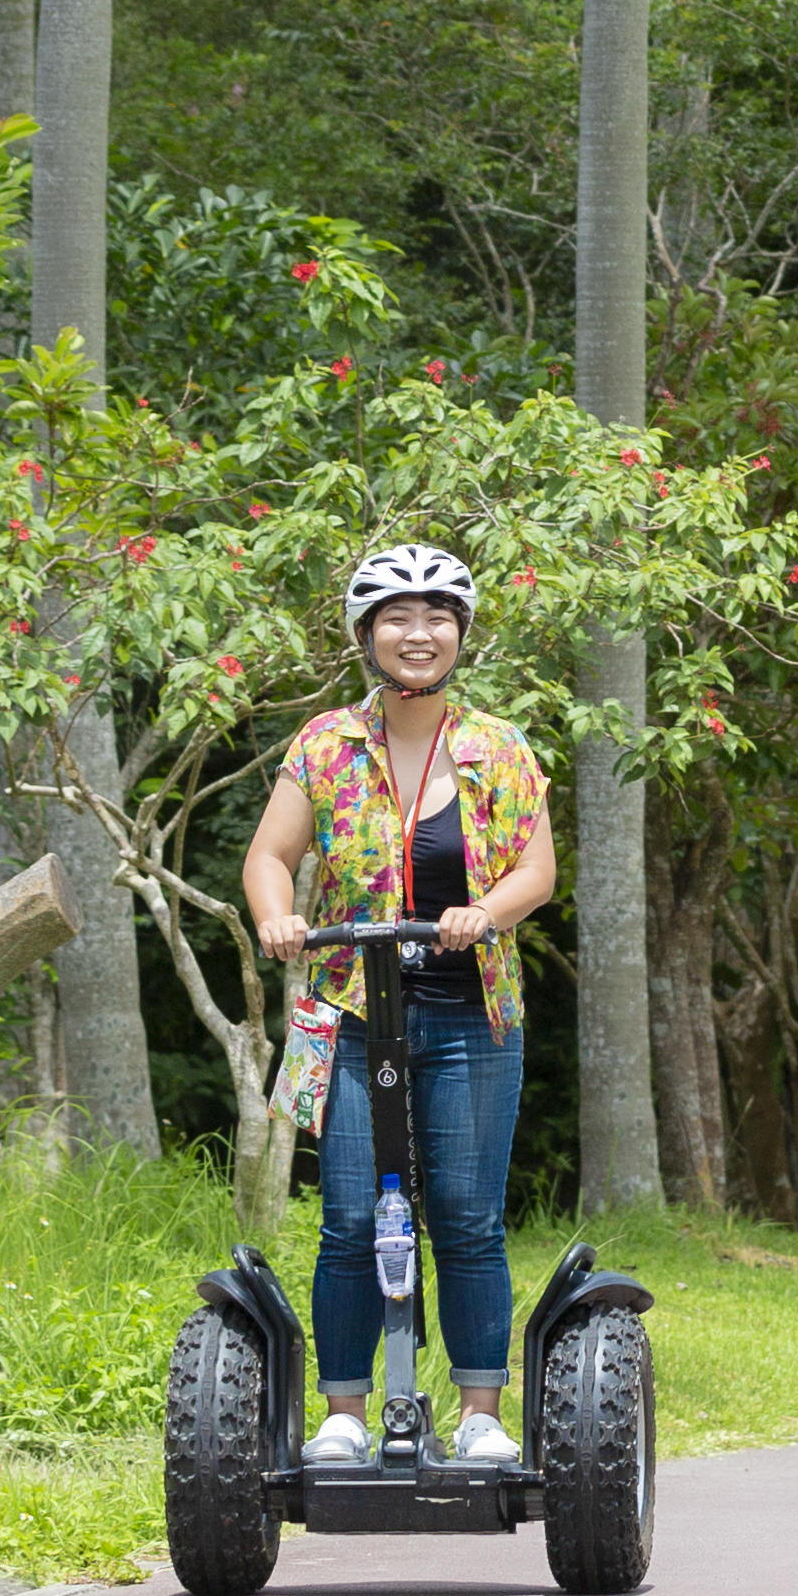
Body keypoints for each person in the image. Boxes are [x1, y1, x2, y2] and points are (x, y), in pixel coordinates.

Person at [243, 541, 559, 1469]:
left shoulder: (499, 747)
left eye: (435, 618)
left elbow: (537, 872)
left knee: (465, 1215)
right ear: (366, 635)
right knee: (352, 1214)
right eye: (396, 618)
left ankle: (478, 1415)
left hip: (471, 1020)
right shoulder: (326, 744)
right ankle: (344, 1412)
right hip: (348, 1012)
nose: (416, 634)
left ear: (458, 634)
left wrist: (482, 911)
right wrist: (278, 919)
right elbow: (270, 856)